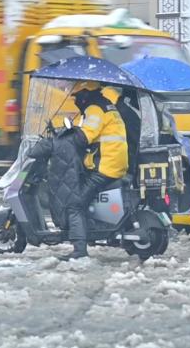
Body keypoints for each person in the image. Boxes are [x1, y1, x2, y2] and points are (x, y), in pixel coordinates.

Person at [61, 81, 129, 260]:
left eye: (77, 96)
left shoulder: (95, 109)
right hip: (115, 162)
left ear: (85, 93)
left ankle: (79, 250)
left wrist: (65, 137)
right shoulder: (107, 105)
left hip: (105, 165)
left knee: (75, 204)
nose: (75, 100)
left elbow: (86, 136)